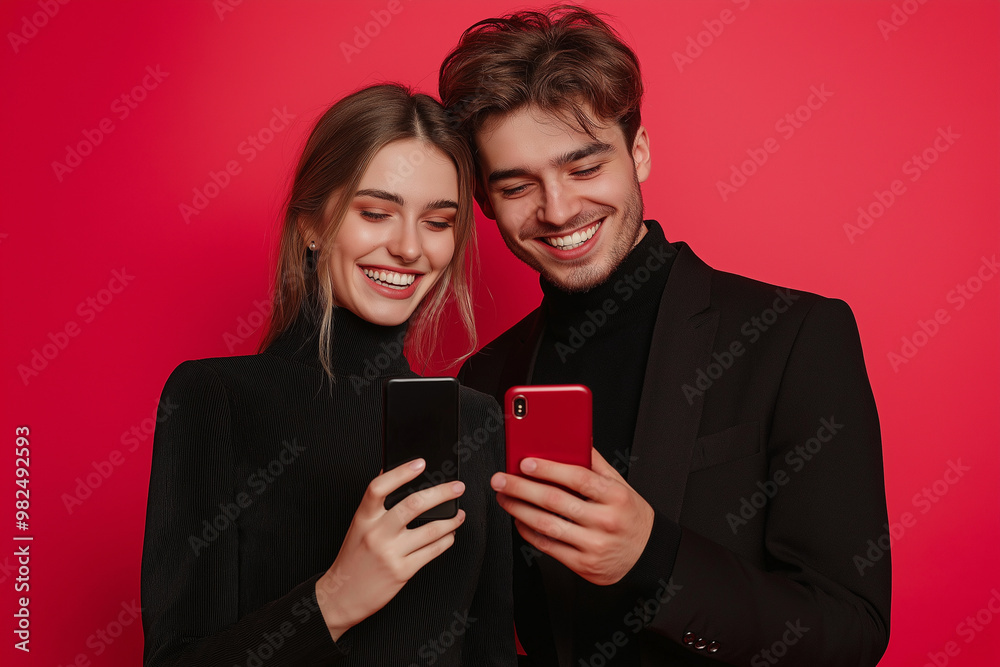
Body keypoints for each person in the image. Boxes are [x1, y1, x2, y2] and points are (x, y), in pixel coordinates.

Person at [440, 6, 890, 666]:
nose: (559, 209)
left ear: (639, 152)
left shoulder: (795, 337)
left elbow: (851, 627)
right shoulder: (482, 381)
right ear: (484, 200)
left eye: (584, 168)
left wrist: (652, 556)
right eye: (518, 185)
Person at [140, 83, 515, 666]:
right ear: (312, 224)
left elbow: (487, 652)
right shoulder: (213, 399)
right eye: (376, 213)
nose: (409, 247)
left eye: (437, 222)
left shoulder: (474, 419)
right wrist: (335, 598)